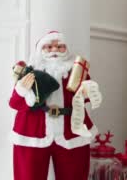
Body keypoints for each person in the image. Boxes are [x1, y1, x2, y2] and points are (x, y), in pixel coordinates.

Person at [9, 31, 101, 179]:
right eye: (48, 47)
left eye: (60, 47)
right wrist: (22, 90)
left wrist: (88, 90)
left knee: (74, 174)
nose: (54, 50)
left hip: (71, 130)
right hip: (32, 130)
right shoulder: (29, 72)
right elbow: (14, 103)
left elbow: (86, 98)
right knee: (29, 174)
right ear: (40, 50)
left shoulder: (75, 71)